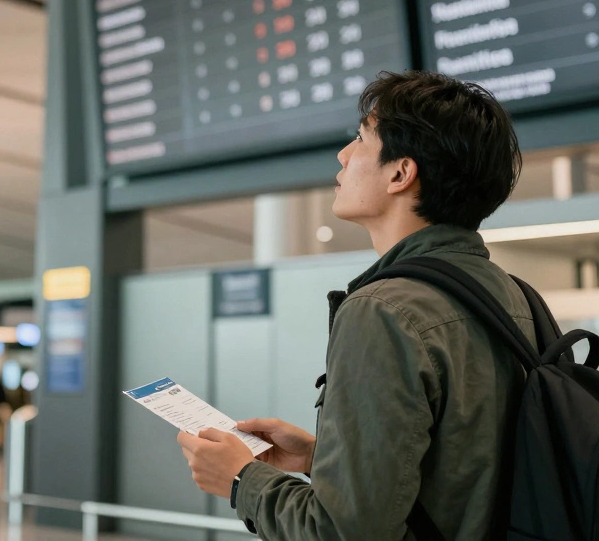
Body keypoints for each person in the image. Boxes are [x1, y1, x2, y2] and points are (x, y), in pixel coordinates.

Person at [177, 71, 529, 540]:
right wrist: (320, 456)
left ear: (401, 173)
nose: (343, 155)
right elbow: (465, 470)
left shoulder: (384, 309)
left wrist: (242, 480)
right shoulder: (515, 296)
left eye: (362, 138)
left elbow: (343, 533)